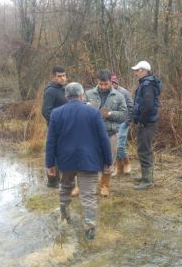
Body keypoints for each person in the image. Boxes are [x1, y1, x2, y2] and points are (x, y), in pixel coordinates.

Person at [45, 82, 112, 240]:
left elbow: (51, 141)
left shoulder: (56, 113)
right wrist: (107, 162)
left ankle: (65, 219)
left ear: (66, 96)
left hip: (65, 160)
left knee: (65, 189)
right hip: (89, 160)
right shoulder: (93, 113)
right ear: (82, 95)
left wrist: (50, 164)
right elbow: (104, 139)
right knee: (88, 195)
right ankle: (89, 229)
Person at [83, 69, 127, 197]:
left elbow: (124, 115)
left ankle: (104, 186)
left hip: (110, 133)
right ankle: (90, 186)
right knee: (90, 160)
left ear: (110, 82)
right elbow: (80, 111)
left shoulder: (119, 96)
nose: (103, 87)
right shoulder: (88, 93)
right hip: (92, 134)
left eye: (105, 84)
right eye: (100, 84)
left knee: (109, 161)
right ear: (97, 81)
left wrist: (110, 114)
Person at [131, 60, 162, 190]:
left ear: (144, 71)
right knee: (143, 149)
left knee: (144, 150)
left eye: (137, 70)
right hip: (147, 122)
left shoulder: (147, 84)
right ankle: (145, 177)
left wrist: (142, 121)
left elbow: (147, 105)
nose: (136, 73)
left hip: (147, 123)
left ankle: (148, 180)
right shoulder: (146, 83)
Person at [42, 65, 67, 188]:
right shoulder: (50, 91)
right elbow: (46, 111)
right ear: (53, 77)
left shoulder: (65, 89)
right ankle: (52, 182)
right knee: (53, 154)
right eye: (59, 76)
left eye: (64, 75)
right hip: (55, 129)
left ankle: (62, 179)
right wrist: (58, 123)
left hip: (66, 129)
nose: (62, 78)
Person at [111, 73, 134, 174]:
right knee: (113, 146)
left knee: (120, 145)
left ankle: (127, 163)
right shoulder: (107, 93)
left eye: (113, 83)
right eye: (110, 83)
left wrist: (128, 120)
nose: (112, 85)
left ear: (116, 82)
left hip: (123, 122)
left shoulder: (124, 92)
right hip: (112, 123)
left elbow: (131, 106)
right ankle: (118, 166)